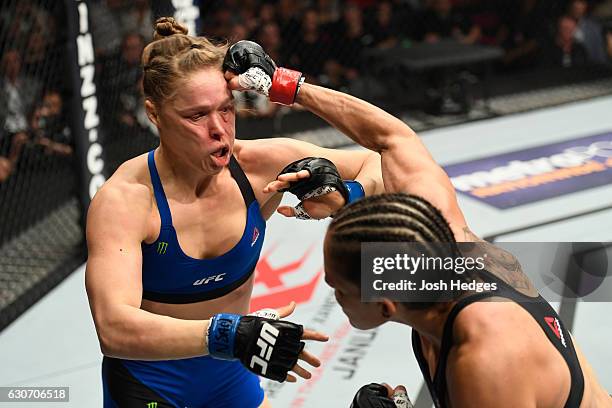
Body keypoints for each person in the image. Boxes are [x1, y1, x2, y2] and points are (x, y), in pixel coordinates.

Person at [251, 50, 610, 407]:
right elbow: (392, 139)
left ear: (386, 306)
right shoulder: (450, 244)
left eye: (339, 289)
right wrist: (284, 85)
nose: (335, 298)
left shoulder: (485, 362)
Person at [86, 18, 384, 408]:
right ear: (154, 114)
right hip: (151, 383)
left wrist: (348, 194)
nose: (219, 130)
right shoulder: (126, 200)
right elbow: (114, 328)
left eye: (226, 110)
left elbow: (384, 161)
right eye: (196, 116)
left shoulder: (260, 165)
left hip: (230, 374)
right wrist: (231, 334)